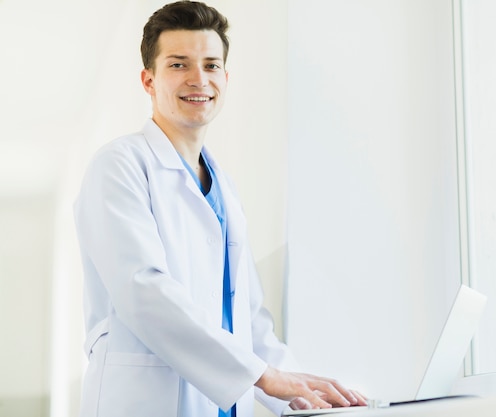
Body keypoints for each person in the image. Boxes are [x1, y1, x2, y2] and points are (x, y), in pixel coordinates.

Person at [73, 2, 367, 417]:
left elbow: (249, 323)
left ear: (225, 79)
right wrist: (263, 376)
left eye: (211, 65)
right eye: (179, 65)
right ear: (148, 80)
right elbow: (143, 291)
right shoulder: (118, 166)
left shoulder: (223, 188)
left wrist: (308, 396)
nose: (199, 79)